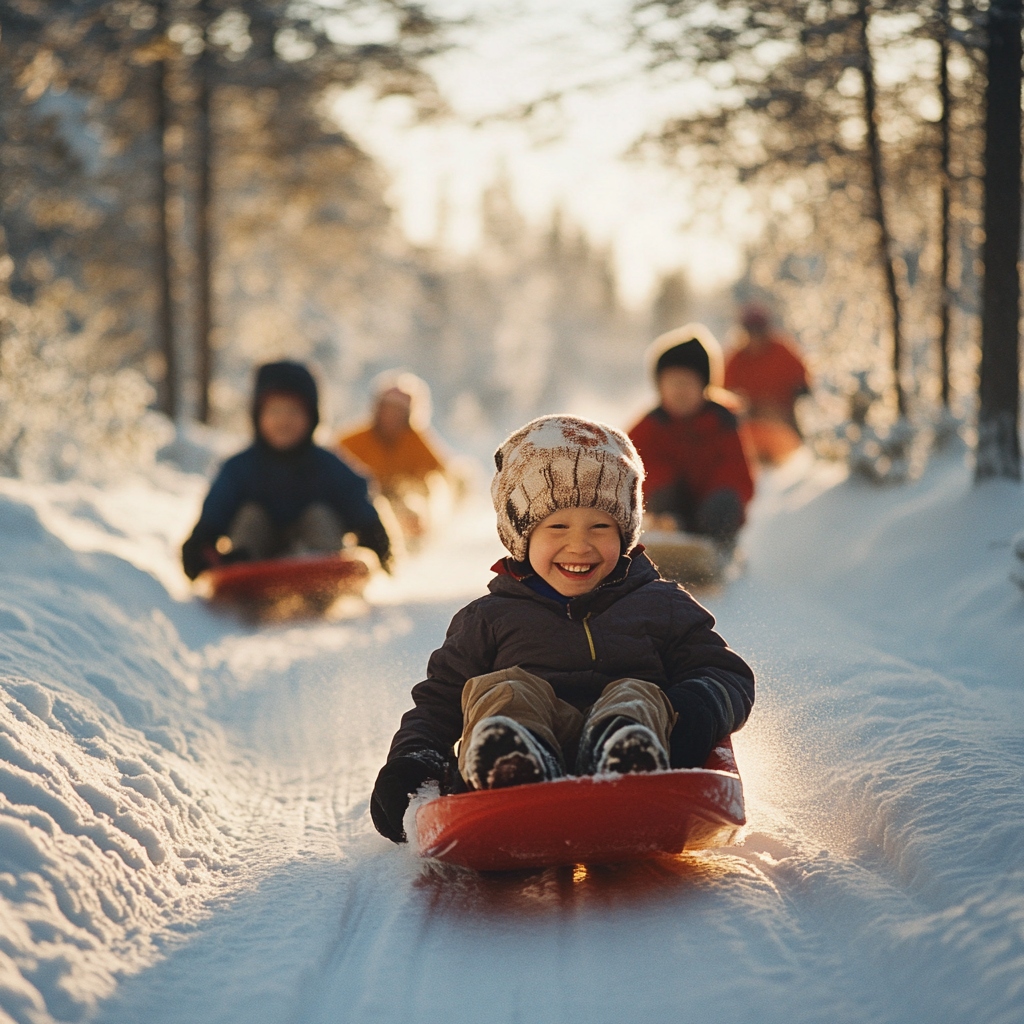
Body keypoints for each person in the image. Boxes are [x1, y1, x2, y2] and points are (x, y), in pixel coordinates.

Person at [369, 414, 755, 844]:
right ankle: (511, 761)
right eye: (557, 527)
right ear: (520, 535)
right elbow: (438, 704)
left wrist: (686, 716)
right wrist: (413, 761)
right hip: (523, 756)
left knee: (636, 693)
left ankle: (627, 755)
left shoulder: (661, 604)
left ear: (626, 532)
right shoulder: (488, 619)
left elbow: (726, 674)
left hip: (643, 747)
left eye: (600, 527)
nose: (579, 545)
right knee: (503, 691)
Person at [181, 360, 391, 580]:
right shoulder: (240, 467)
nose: (283, 421)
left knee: (319, 516)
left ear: (311, 418)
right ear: (257, 416)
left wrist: (375, 541)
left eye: (293, 412)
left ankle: (321, 562)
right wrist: (199, 546)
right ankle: (244, 565)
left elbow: (357, 500)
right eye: (274, 411)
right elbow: (216, 510)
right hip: (257, 554)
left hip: (312, 549)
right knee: (250, 516)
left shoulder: (326, 465)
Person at [629, 324, 754, 548]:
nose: (680, 391)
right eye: (673, 383)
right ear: (660, 386)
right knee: (660, 495)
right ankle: (665, 540)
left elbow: (737, 471)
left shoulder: (722, 422)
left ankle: (714, 548)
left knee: (724, 502)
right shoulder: (651, 425)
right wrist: (659, 486)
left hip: (710, 513)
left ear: (704, 386)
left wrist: (722, 497)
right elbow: (625, 463)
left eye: (687, 383)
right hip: (668, 512)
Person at [337, 372, 448, 543]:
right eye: (386, 409)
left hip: (401, 500)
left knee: (411, 511)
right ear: (377, 409)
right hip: (362, 500)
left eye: (398, 411)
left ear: (409, 414)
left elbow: (442, 471)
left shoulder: (416, 440)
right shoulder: (352, 440)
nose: (391, 416)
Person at [724, 303, 810, 464]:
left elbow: (802, 373)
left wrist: (801, 388)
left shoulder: (782, 350)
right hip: (750, 421)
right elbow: (723, 390)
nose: (755, 337)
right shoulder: (736, 359)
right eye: (751, 331)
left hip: (783, 418)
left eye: (759, 331)